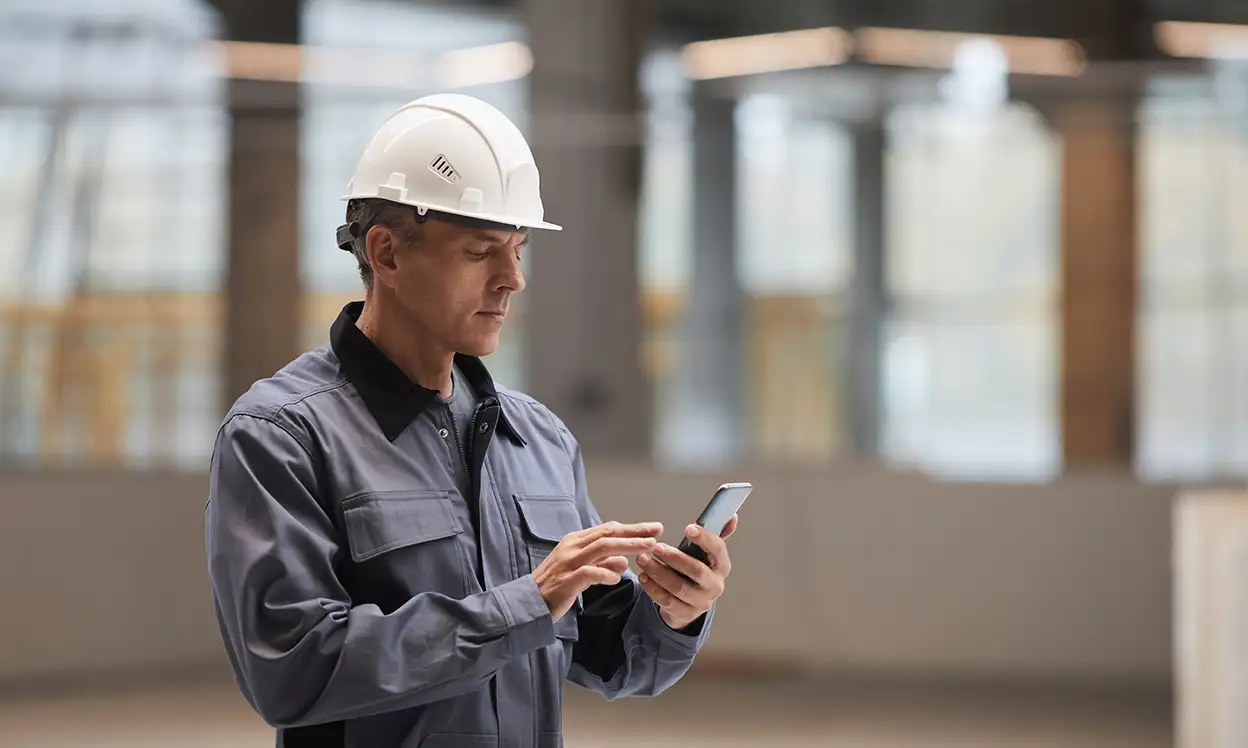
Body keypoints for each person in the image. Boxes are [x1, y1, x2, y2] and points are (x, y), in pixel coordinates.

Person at [204, 93, 739, 748]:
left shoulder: (537, 440)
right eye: (481, 250)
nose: (512, 278)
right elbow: (291, 668)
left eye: (517, 249)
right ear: (387, 253)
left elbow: (617, 657)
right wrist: (524, 605)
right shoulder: (282, 437)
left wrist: (675, 613)